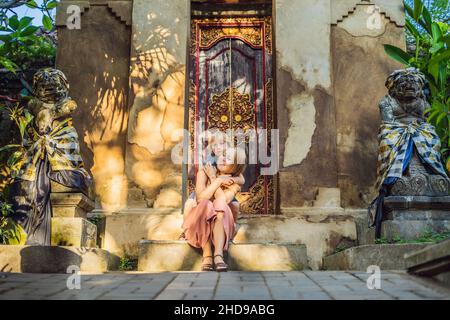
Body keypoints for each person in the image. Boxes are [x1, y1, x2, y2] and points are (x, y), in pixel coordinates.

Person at [182, 147, 246, 272]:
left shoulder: (235, 182)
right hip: (199, 224)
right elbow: (201, 198)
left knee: (219, 204)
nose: (223, 159)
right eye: (223, 154)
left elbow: (223, 200)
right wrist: (216, 179)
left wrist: (213, 179)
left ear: (235, 166)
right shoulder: (205, 171)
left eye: (228, 158)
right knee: (206, 204)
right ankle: (207, 255)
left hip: (221, 225)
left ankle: (218, 255)